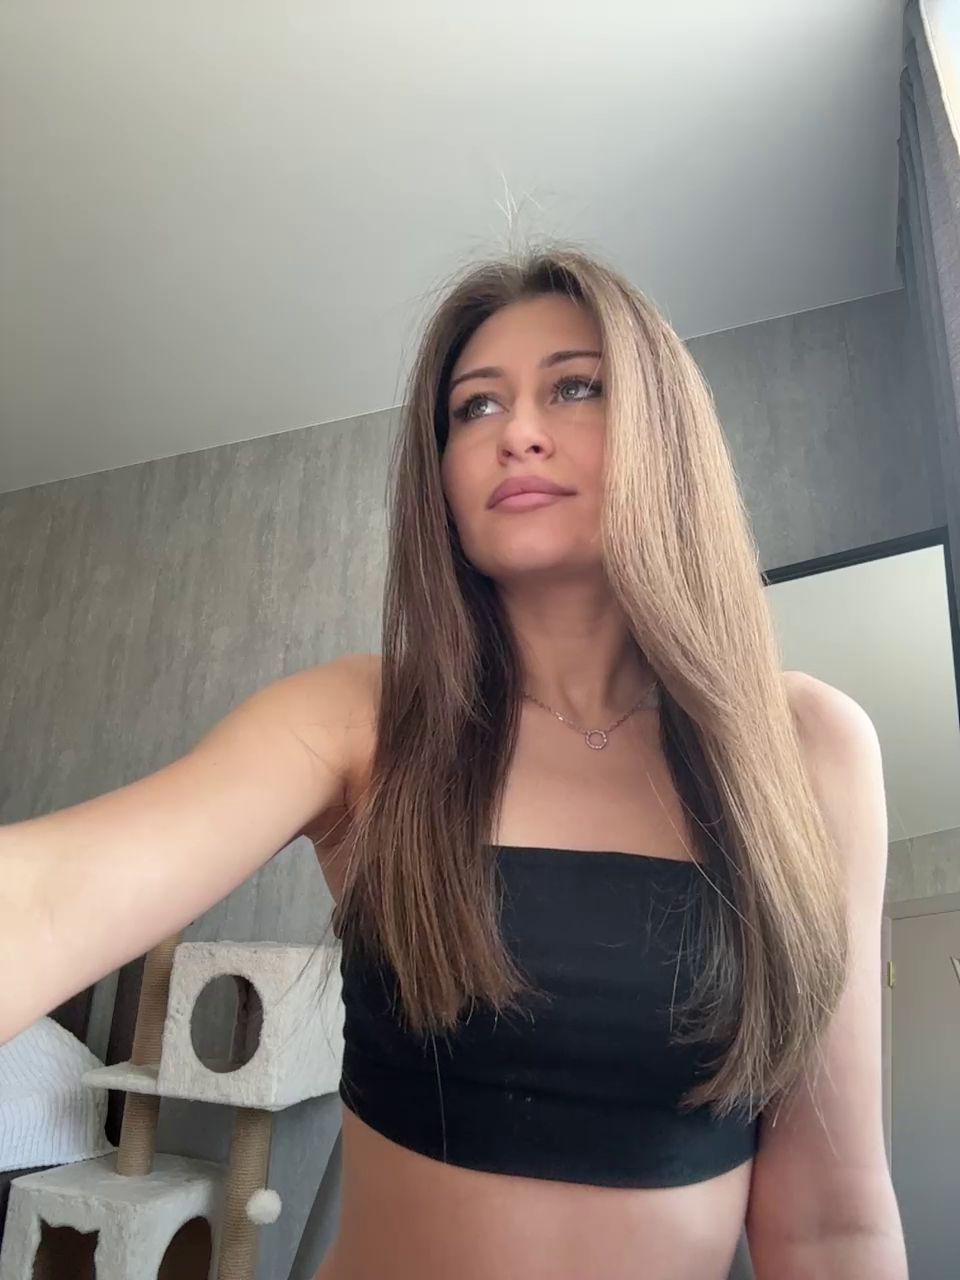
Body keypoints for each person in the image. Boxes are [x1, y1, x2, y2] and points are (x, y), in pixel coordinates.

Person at [0, 245, 906, 1280]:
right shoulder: (364, 721)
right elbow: (48, 899)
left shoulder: (808, 748)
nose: (517, 431)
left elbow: (830, 1226)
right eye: (475, 407)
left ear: (666, 430)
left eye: (575, 387)